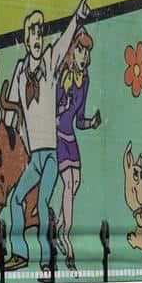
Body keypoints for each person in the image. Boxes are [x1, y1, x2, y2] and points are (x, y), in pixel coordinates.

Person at [0, 0, 91, 270]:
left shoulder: (51, 62)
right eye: (33, 34)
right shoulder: (20, 71)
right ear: (26, 41)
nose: (38, 39)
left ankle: (46, 260)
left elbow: (63, 43)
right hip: (34, 158)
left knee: (41, 203)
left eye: (40, 34)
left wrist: (77, 18)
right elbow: (11, 110)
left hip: (51, 154)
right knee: (16, 199)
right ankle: (19, 253)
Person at [52, 28, 102, 263]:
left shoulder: (85, 81)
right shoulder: (62, 78)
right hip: (58, 136)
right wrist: (62, 107)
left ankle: (57, 227)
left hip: (71, 136)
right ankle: (66, 235)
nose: (84, 55)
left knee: (76, 182)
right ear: (72, 51)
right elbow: (52, 111)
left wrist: (92, 123)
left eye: (87, 51)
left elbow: (79, 120)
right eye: (80, 50)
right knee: (69, 184)